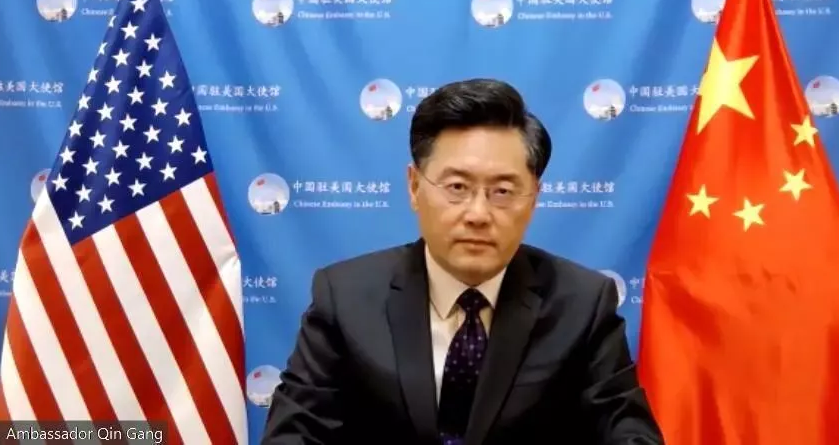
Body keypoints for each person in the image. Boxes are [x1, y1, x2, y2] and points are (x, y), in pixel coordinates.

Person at [261, 79, 664, 445]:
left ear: (534, 199)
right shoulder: (345, 297)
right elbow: (293, 435)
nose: (478, 213)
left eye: (503, 191)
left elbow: (630, 432)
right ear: (414, 187)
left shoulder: (582, 304)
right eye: (457, 187)